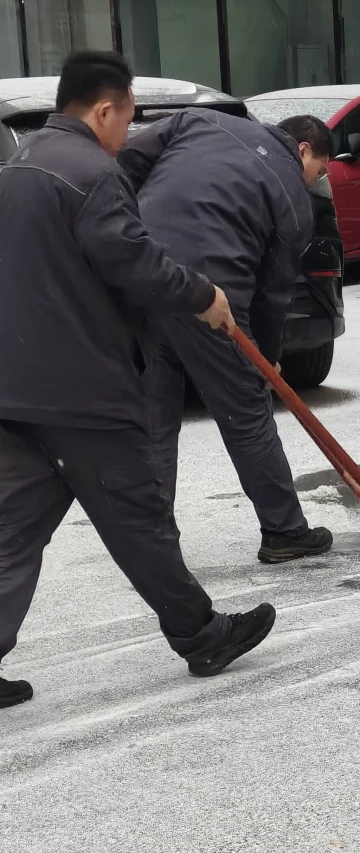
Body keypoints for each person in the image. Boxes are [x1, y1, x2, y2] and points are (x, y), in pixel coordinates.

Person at [0, 50, 276, 709]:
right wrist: (202, 294)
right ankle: (203, 634)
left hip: (15, 388)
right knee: (139, 520)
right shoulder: (93, 173)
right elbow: (135, 263)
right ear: (105, 108)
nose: (129, 131)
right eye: (127, 116)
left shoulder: (16, 165)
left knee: (10, 531)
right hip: (81, 390)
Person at [119, 109, 335, 564]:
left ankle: (151, 541)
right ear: (302, 150)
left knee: (156, 413)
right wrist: (267, 359)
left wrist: (135, 220)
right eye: (321, 168)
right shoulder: (294, 201)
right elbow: (272, 294)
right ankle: (285, 530)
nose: (319, 179)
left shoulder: (200, 120)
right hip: (208, 295)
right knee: (247, 412)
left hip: (143, 274)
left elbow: (128, 157)